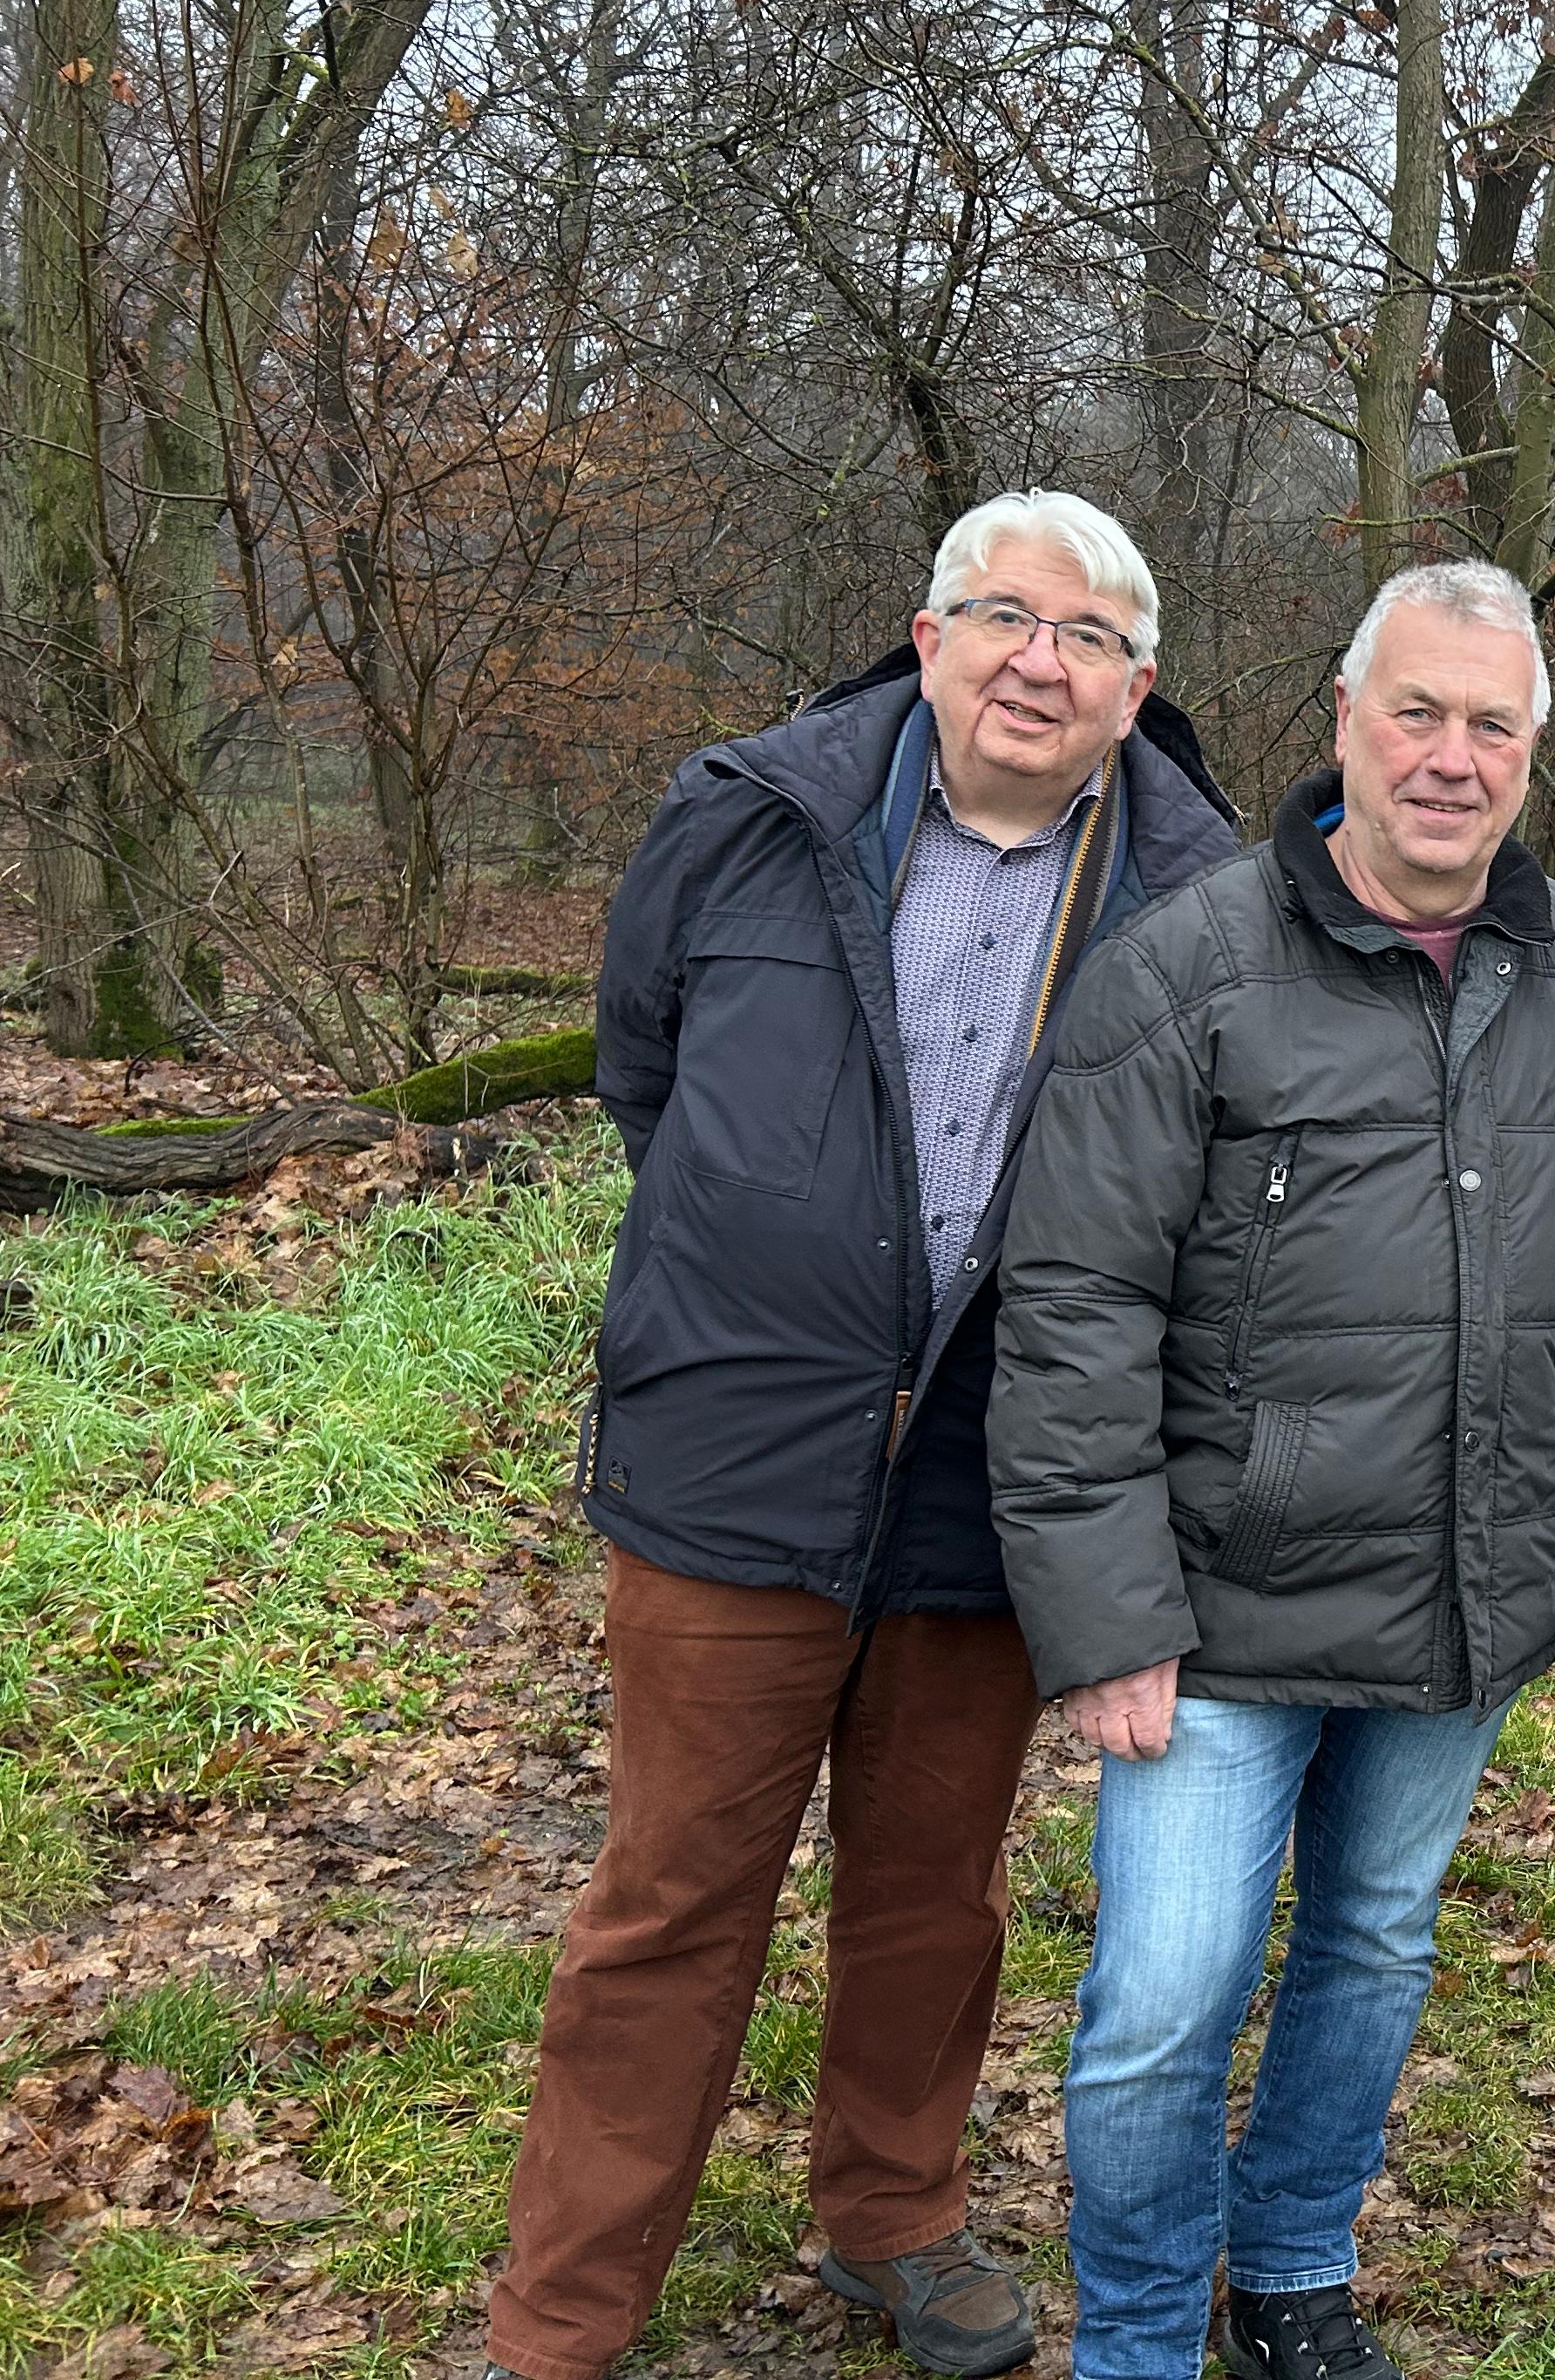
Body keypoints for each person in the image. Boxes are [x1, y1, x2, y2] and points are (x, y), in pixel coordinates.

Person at [491, 491, 1240, 2380]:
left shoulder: (1198, 895)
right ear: (928, 638)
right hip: (741, 1446)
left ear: (1137, 689)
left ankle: (889, 2214)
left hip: (1001, 1467)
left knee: (933, 1891)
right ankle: (563, 2311)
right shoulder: (750, 819)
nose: (1037, 661)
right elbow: (643, 1064)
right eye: (1003, 616)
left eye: (1086, 639)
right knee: (670, 1897)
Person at [985, 559, 1555, 2380]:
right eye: (1415, 711)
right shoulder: (1187, 966)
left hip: (1457, 1574)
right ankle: (1133, 2334)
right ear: (1344, 719)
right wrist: (1107, 1619)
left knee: (1372, 1946)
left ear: (1529, 756)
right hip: (1217, 1604)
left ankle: (1291, 2274)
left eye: (1490, 724)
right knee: (1163, 2005)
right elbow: (1075, 1303)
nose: (1450, 756)